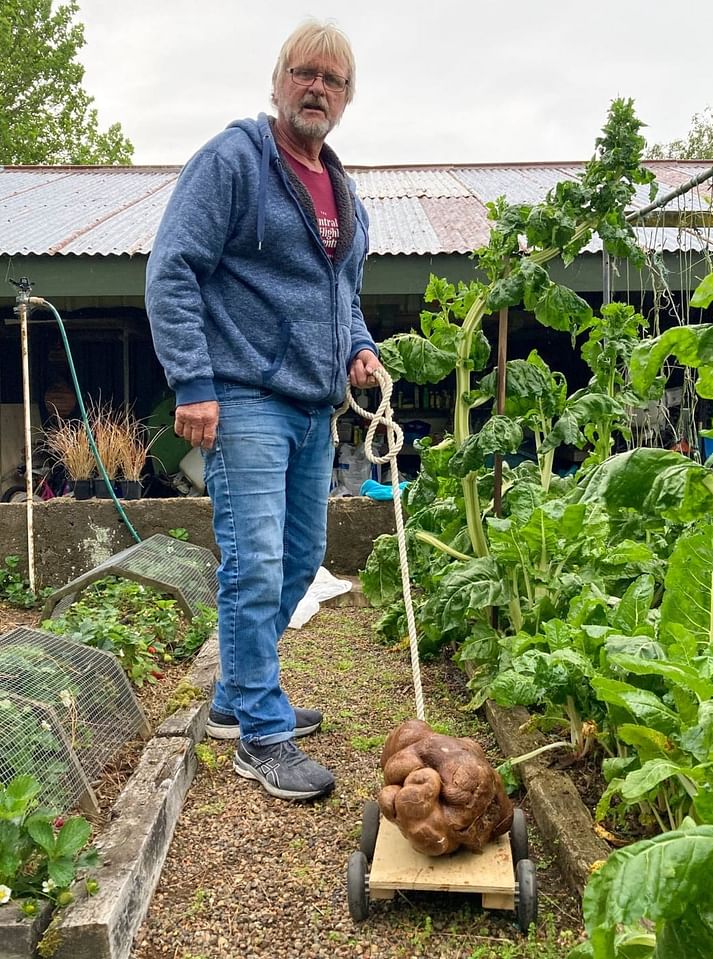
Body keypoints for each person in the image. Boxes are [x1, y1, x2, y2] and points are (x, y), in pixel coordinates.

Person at [145, 19, 381, 801]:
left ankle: (233, 696)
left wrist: (359, 345)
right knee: (256, 565)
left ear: (346, 99)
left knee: (302, 556)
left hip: (314, 408)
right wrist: (193, 381)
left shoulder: (340, 188)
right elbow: (174, 269)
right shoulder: (235, 161)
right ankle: (261, 733)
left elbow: (341, 294)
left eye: (333, 80)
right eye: (303, 73)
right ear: (278, 80)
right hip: (242, 396)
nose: (317, 88)